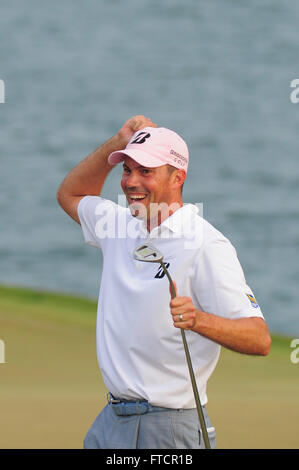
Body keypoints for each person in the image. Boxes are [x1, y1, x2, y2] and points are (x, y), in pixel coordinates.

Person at [57, 115, 271, 449]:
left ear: (177, 177)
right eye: (127, 169)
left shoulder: (205, 244)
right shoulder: (119, 224)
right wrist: (118, 142)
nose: (130, 182)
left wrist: (198, 320)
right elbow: (71, 193)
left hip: (168, 427)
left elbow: (259, 339)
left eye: (146, 171)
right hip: (111, 420)